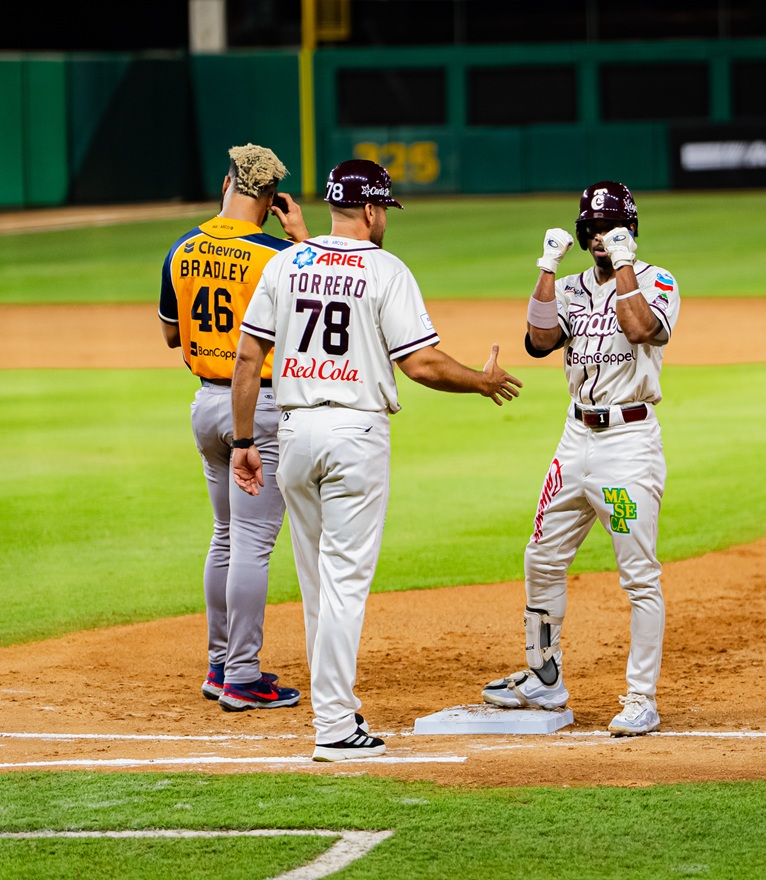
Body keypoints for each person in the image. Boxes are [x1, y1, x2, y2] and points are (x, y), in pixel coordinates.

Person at [231, 159, 522, 762]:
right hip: (353, 436)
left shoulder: (286, 262)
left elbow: (247, 359)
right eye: (384, 208)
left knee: (316, 585)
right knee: (344, 586)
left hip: (292, 433)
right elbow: (421, 364)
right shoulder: (386, 270)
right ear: (368, 210)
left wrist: (241, 442)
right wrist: (481, 381)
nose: (385, 218)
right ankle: (335, 728)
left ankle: (333, 711)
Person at [481, 180, 680, 736]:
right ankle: (544, 678)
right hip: (575, 442)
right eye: (591, 228)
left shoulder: (659, 282)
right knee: (540, 557)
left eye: (610, 226)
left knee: (638, 576)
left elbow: (642, 328)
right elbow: (540, 341)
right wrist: (546, 268)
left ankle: (641, 697)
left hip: (628, 447)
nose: (598, 236)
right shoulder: (568, 288)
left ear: (631, 230)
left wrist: (624, 265)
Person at [159, 143, 311, 712]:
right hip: (262, 409)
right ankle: (243, 676)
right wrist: (300, 237)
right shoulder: (278, 254)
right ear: (272, 198)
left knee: (225, 536)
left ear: (227, 183)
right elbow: (321, 309)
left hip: (206, 405)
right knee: (251, 542)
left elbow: (173, 335)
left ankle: (221, 664)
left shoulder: (183, 247)